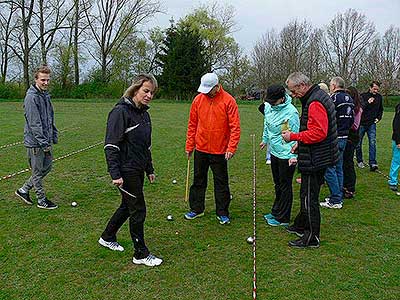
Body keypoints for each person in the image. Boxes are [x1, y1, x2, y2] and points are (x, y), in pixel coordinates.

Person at [99, 74, 162, 267]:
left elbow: (145, 146)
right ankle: (140, 254)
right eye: (146, 91)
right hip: (126, 170)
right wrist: (115, 174)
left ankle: (107, 236)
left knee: (128, 206)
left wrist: (149, 168)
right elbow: (111, 145)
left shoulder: (144, 113)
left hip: (137, 168)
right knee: (138, 209)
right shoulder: (120, 112)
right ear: (135, 90)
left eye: (152, 92)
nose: (149, 95)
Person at [282, 72, 339, 248]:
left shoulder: (315, 102)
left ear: (302, 86)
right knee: (306, 194)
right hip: (317, 154)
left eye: (293, 91)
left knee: (309, 197)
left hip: (316, 158)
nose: (292, 95)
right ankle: (301, 224)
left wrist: (293, 136)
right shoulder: (316, 96)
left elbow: (319, 133)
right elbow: (315, 129)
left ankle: (312, 237)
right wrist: (300, 143)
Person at [184, 73, 241, 225]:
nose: (207, 92)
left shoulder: (229, 101)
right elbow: (192, 124)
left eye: (209, 89)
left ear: (217, 86)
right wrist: (190, 145)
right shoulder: (198, 100)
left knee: (221, 182)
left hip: (220, 150)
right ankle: (197, 209)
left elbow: (235, 127)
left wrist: (231, 147)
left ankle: (222, 212)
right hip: (201, 148)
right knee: (198, 180)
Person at [15, 65, 58, 210]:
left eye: (47, 80)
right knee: (38, 171)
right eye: (43, 80)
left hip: (45, 140)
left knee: (47, 167)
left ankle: (23, 190)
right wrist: (44, 143)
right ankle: (41, 200)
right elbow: (35, 124)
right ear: (36, 80)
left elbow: (49, 117)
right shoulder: (31, 97)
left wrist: (53, 134)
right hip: (35, 143)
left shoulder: (44, 95)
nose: (46, 83)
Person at [259, 84, 300, 227]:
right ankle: (276, 211)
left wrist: (293, 156)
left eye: (273, 101)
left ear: (282, 98)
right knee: (277, 184)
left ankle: (283, 217)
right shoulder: (269, 106)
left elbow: (293, 136)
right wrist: (265, 139)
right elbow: (266, 124)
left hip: (286, 154)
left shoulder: (291, 113)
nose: (270, 103)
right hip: (274, 152)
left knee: (285, 185)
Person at [320, 77, 354, 209]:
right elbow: (352, 120)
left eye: (330, 85)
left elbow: (327, 117)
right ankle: (338, 195)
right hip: (345, 136)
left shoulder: (333, 99)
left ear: (334, 86)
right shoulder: (349, 99)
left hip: (334, 137)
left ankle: (335, 199)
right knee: (339, 167)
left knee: (329, 168)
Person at [356, 81, 383, 171]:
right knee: (358, 143)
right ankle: (359, 161)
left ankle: (373, 163)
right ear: (370, 88)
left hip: (372, 124)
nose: (376, 91)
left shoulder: (379, 97)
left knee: (372, 143)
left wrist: (378, 118)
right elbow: (360, 109)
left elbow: (380, 109)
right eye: (374, 89)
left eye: (377, 89)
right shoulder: (363, 96)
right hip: (362, 124)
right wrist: (367, 102)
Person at [342, 86, 363, 198]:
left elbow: (355, 126)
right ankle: (344, 185)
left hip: (352, 138)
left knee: (348, 163)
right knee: (344, 163)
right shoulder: (348, 107)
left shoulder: (357, 109)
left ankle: (350, 188)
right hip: (346, 136)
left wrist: (344, 122)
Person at [388, 102, 400, 191]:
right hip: (398, 139)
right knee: (396, 161)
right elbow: (396, 126)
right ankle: (392, 181)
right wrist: (398, 141)